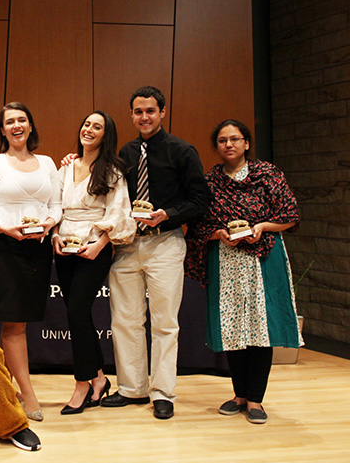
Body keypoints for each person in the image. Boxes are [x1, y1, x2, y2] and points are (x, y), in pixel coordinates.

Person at [100, 86, 208, 419]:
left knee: (164, 323)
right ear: (131, 115)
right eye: (137, 112)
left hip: (166, 242)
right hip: (128, 246)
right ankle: (132, 389)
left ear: (162, 112)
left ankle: (162, 393)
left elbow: (200, 201)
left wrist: (168, 214)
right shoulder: (125, 153)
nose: (143, 117)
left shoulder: (183, 151)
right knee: (125, 320)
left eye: (150, 111)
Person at [185, 119, 301, 424]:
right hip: (226, 259)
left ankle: (256, 399)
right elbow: (198, 226)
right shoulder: (210, 181)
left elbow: (290, 215)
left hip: (264, 258)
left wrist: (262, 227)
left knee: (260, 328)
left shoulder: (268, 174)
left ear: (246, 143)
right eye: (222, 141)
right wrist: (219, 234)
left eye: (235, 139)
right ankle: (238, 394)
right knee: (233, 327)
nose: (229, 145)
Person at [0, 102, 61, 421]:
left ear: (30, 125)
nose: (16, 125)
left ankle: (3, 387)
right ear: (2, 130)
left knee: (17, 322)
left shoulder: (48, 163)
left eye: (21, 119)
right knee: (14, 324)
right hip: (4, 247)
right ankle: (28, 394)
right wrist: (3, 227)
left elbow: (57, 205)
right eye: (9, 121)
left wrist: (50, 222)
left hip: (37, 248)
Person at [51, 111, 135, 415]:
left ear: (105, 135)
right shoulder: (66, 167)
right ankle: (99, 378)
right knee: (79, 316)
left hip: (94, 248)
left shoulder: (111, 170)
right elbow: (54, 206)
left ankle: (82, 383)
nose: (89, 129)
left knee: (77, 311)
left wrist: (100, 245)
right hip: (65, 248)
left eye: (96, 127)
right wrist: (55, 236)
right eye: (86, 124)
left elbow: (119, 210)